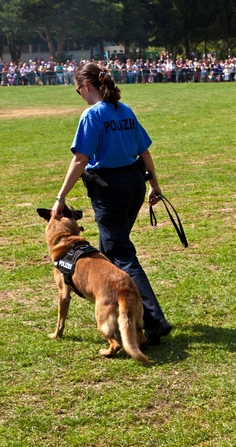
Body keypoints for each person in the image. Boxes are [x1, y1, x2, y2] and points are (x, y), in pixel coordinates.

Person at [51, 61, 172, 345]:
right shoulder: (125, 110)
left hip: (110, 189)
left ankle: (153, 319)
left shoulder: (92, 114)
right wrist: (154, 184)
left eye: (78, 89)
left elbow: (80, 159)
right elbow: (145, 152)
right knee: (108, 250)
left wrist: (60, 197)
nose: (79, 94)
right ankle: (118, 314)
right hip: (134, 185)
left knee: (119, 251)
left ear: (86, 86)